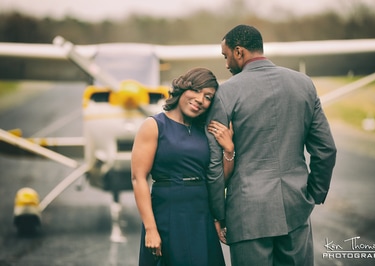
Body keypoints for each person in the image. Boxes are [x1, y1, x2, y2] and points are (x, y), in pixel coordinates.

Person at [206, 25, 337, 266]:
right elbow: (326, 149)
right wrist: (314, 194)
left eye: (226, 56)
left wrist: (218, 213)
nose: (226, 64)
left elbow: (215, 161)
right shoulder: (303, 84)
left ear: (238, 51)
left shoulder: (226, 93)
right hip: (295, 207)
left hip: (247, 214)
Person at [131, 67, 234, 266]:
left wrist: (229, 150)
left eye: (208, 97)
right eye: (196, 91)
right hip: (168, 212)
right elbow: (138, 178)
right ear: (183, 88)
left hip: (202, 213)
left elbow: (220, 179)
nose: (200, 100)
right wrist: (151, 229)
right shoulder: (153, 125)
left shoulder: (204, 130)